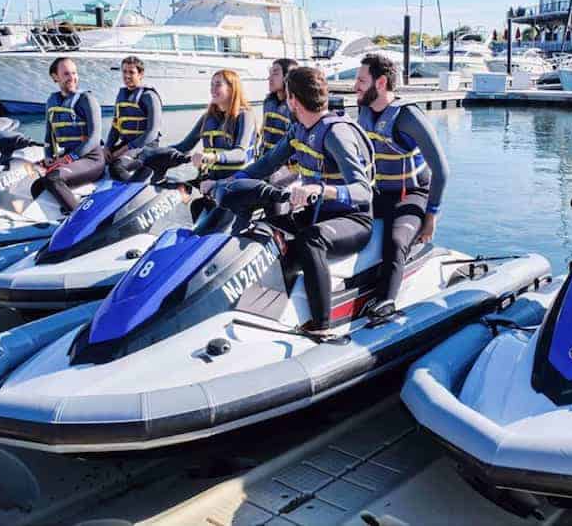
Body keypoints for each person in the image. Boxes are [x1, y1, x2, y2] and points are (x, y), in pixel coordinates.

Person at [218, 66, 375, 335]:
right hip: (315, 213)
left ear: (293, 100)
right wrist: (231, 181)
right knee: (265, 228)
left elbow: (363, 191)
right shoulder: (298, 130)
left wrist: (322, 189)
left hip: (353, 220)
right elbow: (267, 163)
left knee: (310, 240)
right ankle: (267, 306)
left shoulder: (336, 133)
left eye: (288, 96)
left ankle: (322, 325)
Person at [354, 53, 448, 313]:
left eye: (361, 80)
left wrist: (431, 217)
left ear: (381, 83)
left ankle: (386, 303)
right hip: (380, 192)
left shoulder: (408, 117)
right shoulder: (364, 111)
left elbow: (442, 170)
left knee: (395, 241)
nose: (355, 86)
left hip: (412, 195)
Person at [174, 69, 256, 232]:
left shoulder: (245, 115)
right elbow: (184, 146)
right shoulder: (208, 117)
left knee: (203, 231)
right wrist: (148, 152)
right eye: (211, 84)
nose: (212, 89)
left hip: (236, 185)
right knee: (193, 202)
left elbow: (240, 155)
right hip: (211, 184)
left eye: (218, 84)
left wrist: (210, 157)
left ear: (232, 88)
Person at [34, 57, 105, 212]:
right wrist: (48, 157)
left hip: (92, 159)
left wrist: (67, 159)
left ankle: (80, 219)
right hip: (67, 157)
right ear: (55, 77)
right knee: (31, 175)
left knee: (53, 178)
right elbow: (49, 137)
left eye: (74, 73)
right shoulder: (52, 101)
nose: (72, 78)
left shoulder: (87, 99)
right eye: (66, 74)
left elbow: (94, 139)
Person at [104, 56, 162, 169]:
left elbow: (152, 133)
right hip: (127, 145)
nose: (127, 76)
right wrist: (107, 147)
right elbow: (115, 127)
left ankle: (140, 183)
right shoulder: (122, 96)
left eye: (131, 72)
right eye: (124, 71)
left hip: (145, 146)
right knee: (99, 160)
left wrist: (123, 150)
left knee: (117, 167)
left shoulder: (149, 96)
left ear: (140, 74)